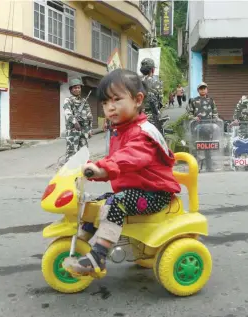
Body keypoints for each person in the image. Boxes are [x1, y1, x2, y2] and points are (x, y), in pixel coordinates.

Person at [63, 69, 181, 276]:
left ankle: (99, 256)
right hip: (138, 189)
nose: (110, 107)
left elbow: (128, 157)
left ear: (137, 100)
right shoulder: (123, 129)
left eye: (117, 100)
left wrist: (102, 167)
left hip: (154, 193)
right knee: (97, 202)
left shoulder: (142, 133)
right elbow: (116, 164)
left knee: (115, 202)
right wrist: (91, 168)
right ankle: (81, 239)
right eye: (106, 103)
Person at [186, 82, 219, 171]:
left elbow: (215, 113)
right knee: (196, 147)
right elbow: (189, 114)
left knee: (208, 147)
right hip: (197, 128)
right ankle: (195, 167)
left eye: (204, 88)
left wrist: (216, 119)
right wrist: (194, 117)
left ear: (207, 90)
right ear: (198, 90)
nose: (203, 90)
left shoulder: (211, 100)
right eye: (201, 89)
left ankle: (209, 167)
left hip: (209, 128)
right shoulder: (193, 101)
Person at [63, 78, 93, 163]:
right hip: (73, 131)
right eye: (75, 88)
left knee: (84, 152)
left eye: (79, 87)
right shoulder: (68, 100)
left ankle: (82, 172)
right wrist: (75, 122)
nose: (77, 89)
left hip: (83, 131)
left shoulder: (84, 101)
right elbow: (67, 113)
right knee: (71, 154)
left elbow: (89, 116)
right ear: (71, 89)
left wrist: (90, 129)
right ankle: (69, 174)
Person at [139, 58, 163, 128]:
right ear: (152, 69)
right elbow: (160, 101)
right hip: (151, 116)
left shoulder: (135, 81)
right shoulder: (157, 82)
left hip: (137, 116)